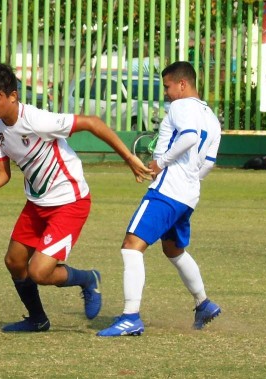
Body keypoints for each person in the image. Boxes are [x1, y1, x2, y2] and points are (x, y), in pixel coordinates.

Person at [0, 63, 152, 332]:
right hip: (37, 203)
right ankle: (37, 319)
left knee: (39, 272)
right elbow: (1, 173)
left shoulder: (37, 120)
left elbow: (92, 122)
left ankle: (88, 279)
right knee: (15, 262)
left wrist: (129, 158)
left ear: (13, 96)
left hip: (69, 201)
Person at [97, 61, 222, 337]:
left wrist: (161, 164)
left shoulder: (180, 107)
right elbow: (209, 163)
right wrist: (189, 178)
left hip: (168, 191)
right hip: (188, 194)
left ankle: (130, 317)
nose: (165, 92)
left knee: (131, 247)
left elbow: (189, 138)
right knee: (174, 250)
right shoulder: (211, 117)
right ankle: (204, 303)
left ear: (182, 84)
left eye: (167, 86)